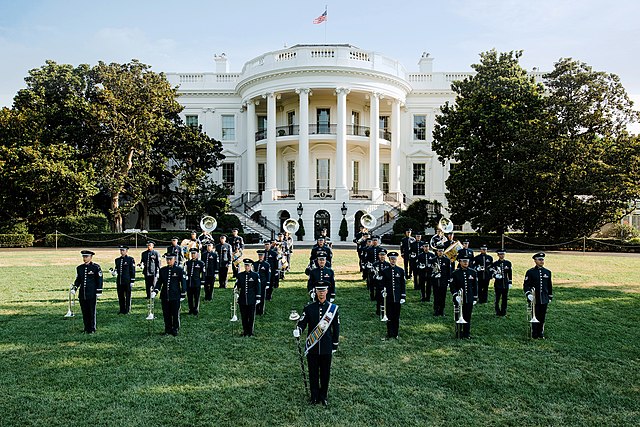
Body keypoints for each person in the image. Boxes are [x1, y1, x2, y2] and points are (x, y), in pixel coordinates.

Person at [294, 282, 340, 406]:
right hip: (312, 346)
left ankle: (323, 396)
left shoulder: (333, 309)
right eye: (319, 290)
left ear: (326, 291)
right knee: (313, 372)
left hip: (326, 346)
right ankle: (314, 396)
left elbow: (336, 328)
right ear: (316, 291)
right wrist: (298, 330)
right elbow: (302, 322)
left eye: (323, 290)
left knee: (325, 373)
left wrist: (334, 344)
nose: (321, 293)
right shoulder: (309, 308)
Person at [151, 253, 186, 336]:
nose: (168, 261)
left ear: (174, 260)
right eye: (167, 259)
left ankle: (175, 329)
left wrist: (183, 293)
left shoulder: (179, 270)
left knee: (175, 313)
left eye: (170, 259)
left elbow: (183, 282)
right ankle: (167, 329)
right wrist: (155, 291)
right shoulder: (163, 270)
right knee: (166, 314)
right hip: (165, 295)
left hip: (175, 295)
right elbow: (160, 282)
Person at [72, 250, 103, 334]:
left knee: (91, 311)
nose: (85, 258)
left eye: (86, 256)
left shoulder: (95, 267)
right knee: (84, 311)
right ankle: (86, 327)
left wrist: (99, 291)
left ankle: (92, 328)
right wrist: (74, 288)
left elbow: (99, 279)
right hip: (83, 293)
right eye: (84, 257)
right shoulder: (79, 268)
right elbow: (78, 280)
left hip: (92, 293)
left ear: (91, 257)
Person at [524, 252, 553, 339]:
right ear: (535, 260)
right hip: (534, 298)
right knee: (534, 315)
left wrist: (550, 296)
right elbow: (526, 285)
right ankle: (534, 333)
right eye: (539, 259)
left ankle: (541, 332)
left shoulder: (547, 272)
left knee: (542, 316)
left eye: (542, 259)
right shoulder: (530, 272)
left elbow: (549, 285)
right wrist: (528, 294)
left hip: (544, 298)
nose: (541, 261)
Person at [449, 257, 478, 339]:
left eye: (467, 261)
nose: (466, 263)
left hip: (469, 298)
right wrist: (455, 295)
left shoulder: (473, 272)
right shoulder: (455, 273)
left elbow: (475, 286)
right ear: (460, 262)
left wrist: (475, 298)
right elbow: (452, 286)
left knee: (467, 316)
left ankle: (466, 333)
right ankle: (458, 332)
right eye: (464, 261)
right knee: (458, 316)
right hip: (459, 298)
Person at [381, 252, 406, 339]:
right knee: (389, 316)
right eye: (391, 259)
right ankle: (389, 333)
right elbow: (382, 284)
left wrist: (403, 296)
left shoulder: (400, 270)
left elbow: (403, 284)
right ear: (389, 260)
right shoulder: (385, 271)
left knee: (396, 316)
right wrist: (382, 292)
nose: (393, 261)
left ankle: (396, 333)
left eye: (394, 259)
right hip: (388, 298)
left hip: (397, 298)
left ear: (396, 260)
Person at [235, 259, 261, 337]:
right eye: (245, 265)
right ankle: (245, 331)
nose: (247, 267)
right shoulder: (240, 275)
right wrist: (236, 292)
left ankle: (250, 332)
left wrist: (258, 297)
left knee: (251, 316)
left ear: (251, 266)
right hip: (242, 299)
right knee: (244, 316)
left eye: (248, 266)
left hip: (252, 299)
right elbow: (237, 285)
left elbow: (258, 287)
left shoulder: (255, 275)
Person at [114, 245, 136, 315]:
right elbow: (117, 269)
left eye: (123, 250)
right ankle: (122, 309)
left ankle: (127, 309)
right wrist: (114, 272)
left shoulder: (130, 259)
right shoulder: (117, 260)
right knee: (120, 295)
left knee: (128, 295)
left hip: (127, 280)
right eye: (121, 250)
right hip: (120, 280)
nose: (122, 252)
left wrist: (132, 280)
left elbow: (132, 270)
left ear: (126, 251)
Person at [491, 249, 513, 317]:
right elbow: (492, 272)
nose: (502, 256)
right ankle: (497, 311)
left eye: (503, 254)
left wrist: (510, 282)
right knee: (497, 298)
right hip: (498, 283)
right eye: (500, 254)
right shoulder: (495, 264)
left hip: (505, 283)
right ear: (498, 255)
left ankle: (503, 311)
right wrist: (495, 276)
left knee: (505, 298)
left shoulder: (508, 263)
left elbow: (510, 273)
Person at [432, 247, 453, 316]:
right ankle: (436, 310)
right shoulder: (433, 260)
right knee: (436, 296)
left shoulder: (447, 260)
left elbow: (449, 271)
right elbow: (431, 270)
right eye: (439, 251)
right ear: (437, 252)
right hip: (435, 281)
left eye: (441, 251)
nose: (440, 252)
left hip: (443, 281)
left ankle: (442, 310)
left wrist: (449, 281)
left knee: (443, 296)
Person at [185, 248, 205, 315]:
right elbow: (184, 272)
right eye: (192, 254)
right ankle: (190, 308)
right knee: (190, 297)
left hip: (197, 282)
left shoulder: (200, 263)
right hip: (189, 283)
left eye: (194, 253)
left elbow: (203, 273)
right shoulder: (187, 263)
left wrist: (202, 281)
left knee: (196, 296)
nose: (193, 255)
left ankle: (196, 308)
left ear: (197, 254)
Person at [370, 248, 390, 316]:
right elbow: (372, 274)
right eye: (381, 255)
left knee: (386, 298)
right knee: (378, 298)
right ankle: (378, 311)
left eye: (383, 255)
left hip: (385, 284)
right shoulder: (375, 264)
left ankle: (386, 310)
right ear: (378, 255)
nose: (382, 256)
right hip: (378, 284)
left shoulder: (388, 265)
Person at [253, 250, 271, 315]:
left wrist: (268, 283)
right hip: (256, 283)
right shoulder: (255, 264)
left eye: (262, 255)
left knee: (262, 297)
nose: (260, 257)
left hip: (263, 283)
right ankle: (256, 310)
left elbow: (268, 274)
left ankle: (261, 311)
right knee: (256, 297)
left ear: (264, 256)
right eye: (259, 255)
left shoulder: (266, 265)